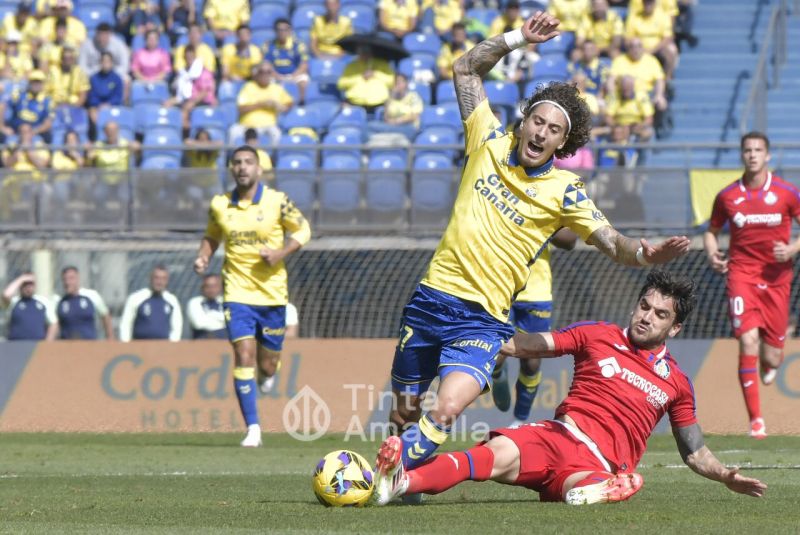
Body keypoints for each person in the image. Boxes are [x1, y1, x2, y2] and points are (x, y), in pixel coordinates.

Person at [374, 11, 690, 484]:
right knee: (403, 413)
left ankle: (392, 480)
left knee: (446, 409)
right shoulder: (487, 140)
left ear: (563, 143)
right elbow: (464, 69)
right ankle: (407, 476)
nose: (541, 133)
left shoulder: (565, 189)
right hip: (430, 299)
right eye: (537, 121)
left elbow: (612, 242)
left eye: (553, 130)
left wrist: (645, 254)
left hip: (482, 319)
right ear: (524, 122)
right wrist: (518, 37)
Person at [372, 270, 767, 506]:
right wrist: (476, 330)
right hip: (557, 437)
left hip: (598, 466)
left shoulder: (677, 383)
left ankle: (600, 491)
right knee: (487, 456)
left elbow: (694, 451)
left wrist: (724, 477)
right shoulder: (597, 335)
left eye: (660, 314)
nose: (647, 317)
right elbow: (528, 344)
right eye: (644, 306)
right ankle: (401, 481)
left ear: (674, 328)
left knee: (603, 481)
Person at [194, 145, 311, 447]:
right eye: (237, 163)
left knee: (267, 364)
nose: (242, 167)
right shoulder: (220, 205)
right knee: (242, 354)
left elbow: (303, 230)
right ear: (231, 169)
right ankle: (254, 429)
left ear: (259, 169)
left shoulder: (277, 202)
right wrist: (203, 256)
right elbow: (212, 235)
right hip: (237, 292)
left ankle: (268, 371)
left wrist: (280, 252)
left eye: (248, 162)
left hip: (272, 294)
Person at [703, 132, 800, 439]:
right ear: (742, 155)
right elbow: (711, 231)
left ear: (768, 155)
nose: (753, 155)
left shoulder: (786, 192)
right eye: (748, 150)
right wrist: (712, 254)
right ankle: (756, 420)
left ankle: (770, 362)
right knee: (747, 342)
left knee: (771, 358)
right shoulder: (728, 196)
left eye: (758, 150)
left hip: (777, 280)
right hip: (741, 275)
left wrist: (793, 249)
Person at [491, 228, 578, 423]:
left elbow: (570, 240)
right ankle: (497, 374)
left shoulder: (547, 203)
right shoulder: (501, 198)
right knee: (494, 352)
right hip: (500, 287)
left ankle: (519, 421)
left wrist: (544, 225)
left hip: (536, 294)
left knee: (531, 362)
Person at [230, 62, 293, 147]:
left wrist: (281, 107)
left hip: (269, 125)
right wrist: (262, 104)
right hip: (246, 125)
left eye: (268, 72)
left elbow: (289, 102)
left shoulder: (277, 88)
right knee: (233, 132)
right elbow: (241, 109)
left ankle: (272, 159)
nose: (265, 74)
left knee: (276, 134)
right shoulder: (248, 86)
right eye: (261, 71)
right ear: (257, 73)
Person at [119, 265, 183, 342]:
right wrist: (126, 344)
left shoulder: (172, 300)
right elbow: (126, 323)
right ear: (150, 278)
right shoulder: (136, 298)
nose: (160, 282)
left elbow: (177, 326)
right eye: (156, 278)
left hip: (164, 347)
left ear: (167, 281)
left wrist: (172, 345)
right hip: (139, 346)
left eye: (163, 279)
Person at [53, 266, 114, 340]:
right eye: (65, 279)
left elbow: (105, 315)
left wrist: (110, 338)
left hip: (89, 345)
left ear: (78, 279)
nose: (67, 282)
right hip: (66, 346)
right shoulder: (58, 300)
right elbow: (54, 324)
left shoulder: (92, 296)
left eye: (71, 278)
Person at [337, 45, 395, 111]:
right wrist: (360, 77)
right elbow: (341, 84)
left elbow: (391, 82)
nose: (364, 54)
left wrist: (376, 74)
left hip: (378, 104)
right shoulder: (351, 66)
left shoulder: (383, 65)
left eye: (366, 52)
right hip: (355, 103)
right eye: (362, 52)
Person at [1, 272, 57, 341]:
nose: (28, 287)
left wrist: (47, 344)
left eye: (31, 284)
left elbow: (53, 323)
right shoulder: (14, 302)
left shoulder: (43, 301)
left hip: (37, 346)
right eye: (25, 284)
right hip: (15, 345)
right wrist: (22, 279)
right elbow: (6, 295)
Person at [86, 52, 124, 127]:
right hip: (97, 107)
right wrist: (99, 105)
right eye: (103, 61)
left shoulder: (117, 78)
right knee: (92, 113)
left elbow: (118, 96)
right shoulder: (94, 78)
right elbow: (92, 96)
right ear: (100, 63)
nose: (106, 64)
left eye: (108, 61)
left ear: (112, 63)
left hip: (113, 106)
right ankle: (97, 134)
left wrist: (108, 104)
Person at [186, 273, 226, 339]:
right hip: (202, 342)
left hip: (224, 343)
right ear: (202, 287)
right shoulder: (195, 302)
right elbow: (198, 323)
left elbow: (231, 322)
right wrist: (222, 322)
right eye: (208, 286)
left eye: (215, 286)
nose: (211, 290)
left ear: (221, 287)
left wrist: (211, 314)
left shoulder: (226, 302)